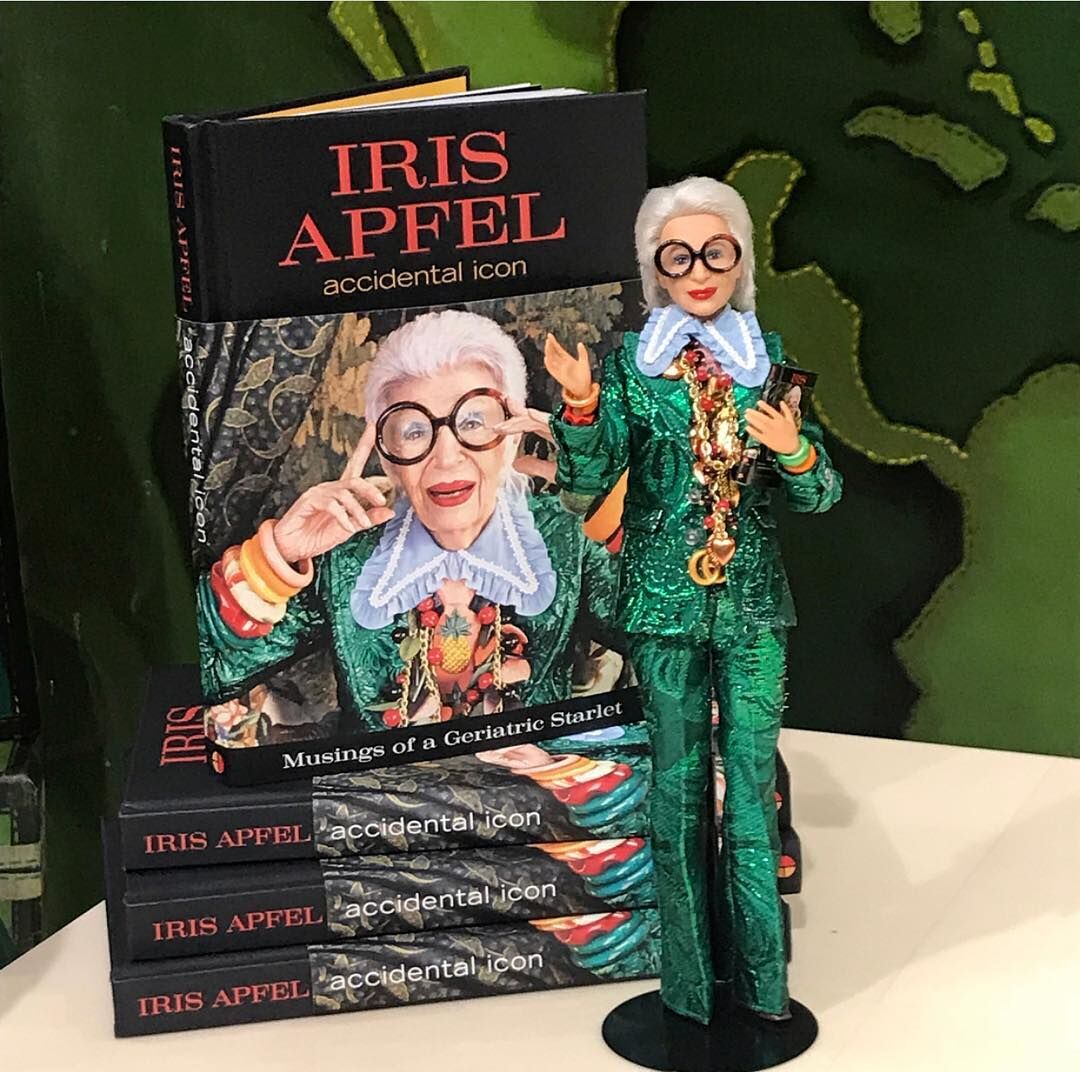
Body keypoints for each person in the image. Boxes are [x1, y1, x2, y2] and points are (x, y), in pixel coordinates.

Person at [542, 177, 842, 1024]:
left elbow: (822, 494)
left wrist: (794, 451)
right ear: (657, 271)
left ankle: (763, 988)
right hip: (662, 606)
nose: (700, 273)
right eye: (680, 258)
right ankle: (688, 994)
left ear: (741, 261)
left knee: (750, 794)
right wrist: (581, 405)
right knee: (673, 795)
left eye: (717, 253)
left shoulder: (767, 362)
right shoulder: (633, 369)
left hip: (753, 609)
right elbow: (587, 480)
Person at [197, 309, 621, 737]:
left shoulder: (568, 536)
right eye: (415, 432)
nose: (446, 457)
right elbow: (207, 674)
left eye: (473, 422)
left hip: (544, 776)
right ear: (388, 458)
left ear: (512, 437)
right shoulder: (346, 558)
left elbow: (662, 638)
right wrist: (277, 556)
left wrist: (607, 488)